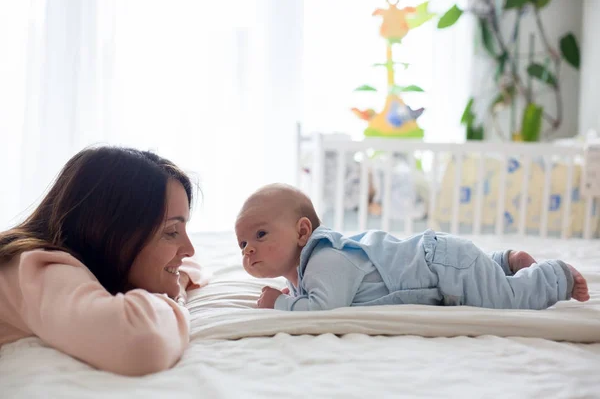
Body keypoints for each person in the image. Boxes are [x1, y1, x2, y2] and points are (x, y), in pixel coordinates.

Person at [0, 147, 210, 376]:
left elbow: (193, 264)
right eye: (171, 231)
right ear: (111, 231)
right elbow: (141, 342)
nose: (189, 249)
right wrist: (176, 293)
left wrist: (175, 276)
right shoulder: (38, 267)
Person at [234, 183, 590, 312]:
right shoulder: (306, 271)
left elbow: (324, 307)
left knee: (508, 301)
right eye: (243, 243)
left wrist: (278, 302)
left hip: (441, 268)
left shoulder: (326, 257)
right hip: (442, 263)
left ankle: (553, 275)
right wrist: (289, 292)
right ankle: (507, 263)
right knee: (483, 281)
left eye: (261, 235)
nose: (249, 249)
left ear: (302, 231)